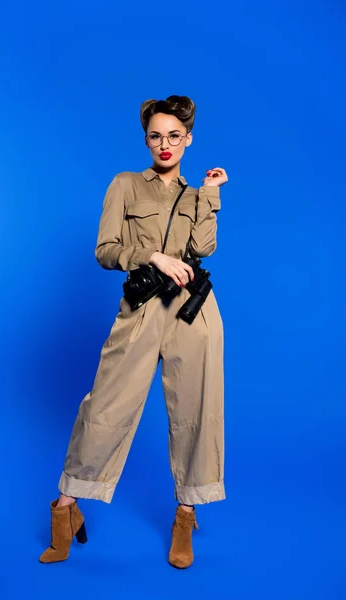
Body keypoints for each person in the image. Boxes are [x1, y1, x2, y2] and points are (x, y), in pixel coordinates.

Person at [39, 95, 229, 569]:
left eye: (174, 136)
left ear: (188, 139)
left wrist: (210, 194)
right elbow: (105, 250)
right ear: (146, 139)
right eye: (155, 136)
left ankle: (185, 515)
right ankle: (66, 508)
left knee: (196, 411)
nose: (164, 144)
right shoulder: (125, 185)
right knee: (106, 405)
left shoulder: (194, 193)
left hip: (194, 313)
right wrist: (152, 257)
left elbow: (204, 247)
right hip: (143, 307)